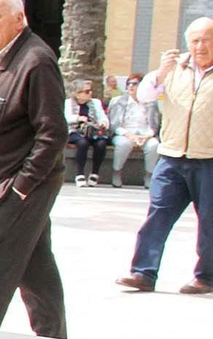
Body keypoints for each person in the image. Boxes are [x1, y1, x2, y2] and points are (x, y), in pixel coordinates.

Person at [0, 0, 68, 339]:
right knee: (37, 272)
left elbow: (52, 133)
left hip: (14, 190)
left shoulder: (36, 61)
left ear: (19, 19)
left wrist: (21, 187)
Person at [117, 17, 213, 295]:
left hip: (208, 158)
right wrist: (160, 72)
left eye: (206, 39)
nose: (200, 46)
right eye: (195, 40)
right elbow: (146, 94)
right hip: (172, 156)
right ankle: (143, 273)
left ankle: (206, 276)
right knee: (157, 215)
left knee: (209, 220)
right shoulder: (175, 67)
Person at [107, 73, 159, 188]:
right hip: (124, 133)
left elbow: (155, 125)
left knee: (154, 145)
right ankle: (117, 173)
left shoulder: (151, 102)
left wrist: (147, 136)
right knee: (123, 144)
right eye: (128, 84)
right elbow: (114, 124)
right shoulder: (118, 101)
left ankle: (149, 176)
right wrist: (130, 135)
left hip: (145, 134)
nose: (131, 86)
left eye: (135, 84)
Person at [64, 81, 110, 187]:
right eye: (87, 91)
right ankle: (80, 174)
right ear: (77, 93)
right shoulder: (68, 103)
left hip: (92, 131)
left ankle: (95, 173)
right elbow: (66, 117)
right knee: (82, 143)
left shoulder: (95, 102)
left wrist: (103, 122)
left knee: (101, 144)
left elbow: (102, 116)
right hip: (75, 130)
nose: (90, 93)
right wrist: (78, 118)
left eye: (90, 91)